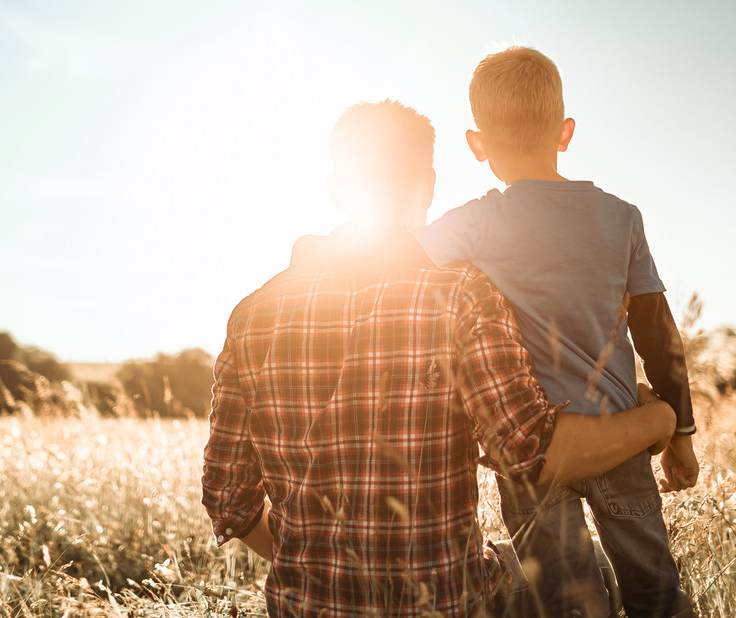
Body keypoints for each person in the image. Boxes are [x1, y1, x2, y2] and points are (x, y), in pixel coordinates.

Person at [201, 100, 677, 617]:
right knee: (590, 573)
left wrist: (324, 564)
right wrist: (658, 419)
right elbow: (532, 452)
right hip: (447, 604)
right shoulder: (461, 295)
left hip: (308, 604)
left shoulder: (251, 316)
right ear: (428, 184)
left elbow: (228, 498)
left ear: (337, 190)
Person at [415, 47, 699, 617]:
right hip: (620, 433)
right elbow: (657, 331)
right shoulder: (622, 217)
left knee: (566, 602)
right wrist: (682, 433)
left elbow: (398, 265)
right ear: (565, 133)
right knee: (655, 590)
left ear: (477, 145)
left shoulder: (476, 222)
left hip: (535, 449)